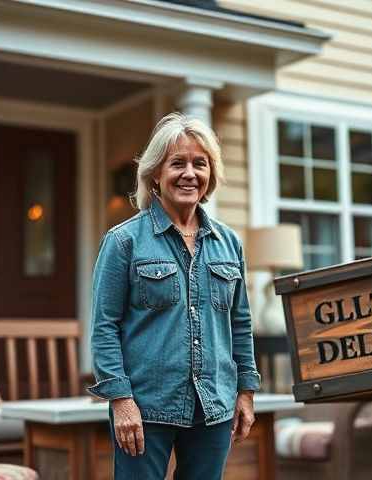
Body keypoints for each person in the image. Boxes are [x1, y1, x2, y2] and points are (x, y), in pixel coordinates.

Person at [88, 112, 261, 479]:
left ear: (210, 174)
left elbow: (240, 322)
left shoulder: (229, 243)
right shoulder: (123, 242)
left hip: (214, 404)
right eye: (177, 163)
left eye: (200, 164)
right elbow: (105, 327)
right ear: (155, 174)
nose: (189, 173)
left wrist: (245, 390)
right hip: (145, 406)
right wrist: (121, 401)